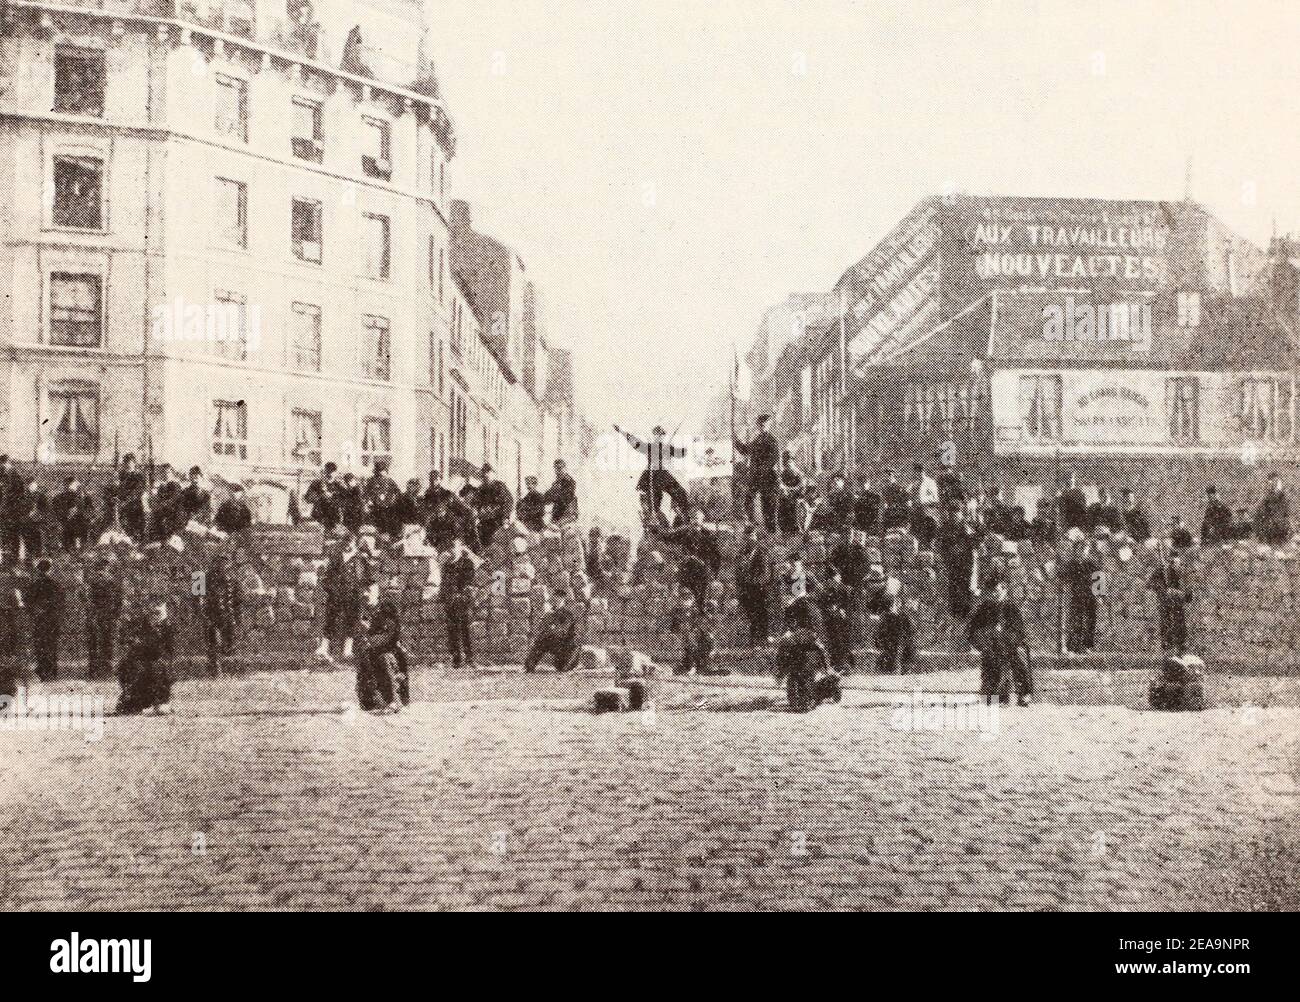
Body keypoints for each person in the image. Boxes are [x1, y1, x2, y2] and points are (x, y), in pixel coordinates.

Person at [969, 573, 1031, 706]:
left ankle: (1023, 693)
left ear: (1004, 590)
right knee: (990, 658)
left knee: (1017, 658)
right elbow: (974, 628)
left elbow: (1019, 630)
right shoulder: (985, 607)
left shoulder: (1011, 607)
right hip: (991, 644)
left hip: (1009, 644)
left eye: (997, 591)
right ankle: (994, 695)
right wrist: (984, 640)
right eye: (992, 592)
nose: (994, 595)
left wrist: (1006, 638)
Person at [617, 424, 690, 527]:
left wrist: (685, 449)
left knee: (680, 493)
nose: (659, 437)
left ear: (663, 436)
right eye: (657, 435)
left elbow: (680, 453)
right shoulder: (649, 447)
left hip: (663, 474)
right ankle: (654, 521)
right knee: (654, 498)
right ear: (654, 435)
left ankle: (686, 519)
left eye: (661, 435)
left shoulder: (667, 447)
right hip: (651, 475)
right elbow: (635, 442)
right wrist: (622, 432)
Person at [115, 601, 176, 716]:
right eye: (153, 613)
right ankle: (132, 701)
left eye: (159, 613)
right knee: (134, 669)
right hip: (138, 665)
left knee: (161, 667)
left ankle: (161, 701)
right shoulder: (138, 626)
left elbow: (167, 652)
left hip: (156, 666)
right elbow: (128, 646)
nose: (156, 616)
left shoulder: (167, 628)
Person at [318, 535, 372, 664]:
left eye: (350, 544)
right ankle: (323, 648)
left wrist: (369, 592)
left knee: (352, 621)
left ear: (355, 545)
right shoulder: (336, 558)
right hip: (336, 595)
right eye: (345, 543)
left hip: (354, 595)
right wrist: (330, 589)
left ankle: (347, 651)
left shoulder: (360, 559)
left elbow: (369, 578)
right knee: (330, 620)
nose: (348, 546)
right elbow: (327, 576)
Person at [661, 510, 722, 610]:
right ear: (691, 520)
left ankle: (701, 613)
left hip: (702, 571)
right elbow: (668, 536)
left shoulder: (709, 535)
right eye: (693, 518)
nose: (695, 521)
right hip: (686, 569)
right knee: (684, 598)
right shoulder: (684, 531)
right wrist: (656, 529)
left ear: (702, 520)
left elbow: (715, 555)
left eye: (697, 518)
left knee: (701, 599)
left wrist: (715, 573)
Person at [356, 596, 407, 712]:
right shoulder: (373, 615)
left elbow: (383, 639)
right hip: (374, 652)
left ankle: (394, 701)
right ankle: (371, 700)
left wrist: (368, 633)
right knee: (365, 659)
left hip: (390, 655)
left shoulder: (389, 620)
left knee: (384, 659)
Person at [198, 553, 243, 677]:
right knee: (211, 640)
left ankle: (228, 667)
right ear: (213, 564)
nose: (222, 566)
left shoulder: (233, 580)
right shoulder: (200, 578)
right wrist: (202, 616)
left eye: (225, 563)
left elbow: (238, 601)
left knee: (229, 643)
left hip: (228, 615)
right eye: (218, 562)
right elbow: (196, 599)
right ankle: (215, 668)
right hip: (210, 614)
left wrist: (237, 619)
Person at [733, 414, 780, 532]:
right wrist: (735, 440)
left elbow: (774, 458)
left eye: (764, 425)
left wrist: (763, 469)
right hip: (755, 476)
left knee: (768, 505)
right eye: (760, 425)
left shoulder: (771, 440)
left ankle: (771, 530)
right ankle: (752, 525)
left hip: (767, 477)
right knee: (748, 499)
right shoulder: (757, 439)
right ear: (758, 426)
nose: (762, 427)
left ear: (769, 425)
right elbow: (745, 450)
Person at [441, 536, 480, 670]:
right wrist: (446, 598)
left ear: (461, 548)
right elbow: (444, 584)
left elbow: (470, 582)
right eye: (451, 548)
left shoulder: (467, 563)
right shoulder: (447, 565)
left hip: (463, 602)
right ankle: (456, 659)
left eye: (455, 547)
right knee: (452, 631)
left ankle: (470, 658)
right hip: (450, 603)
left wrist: (462, 596)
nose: (453, 550)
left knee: (466, 630)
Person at [24, 558, 64, 681]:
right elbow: (60, 602)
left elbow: (27, 601)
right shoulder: (56, 584)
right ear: (50, 569)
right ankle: (51, 671)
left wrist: (35, 611)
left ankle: (42, 670)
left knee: (40, 644)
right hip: (51, 619)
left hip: (39, 619)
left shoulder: (34, 584)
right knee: (51, 644)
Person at [84, 553, 123, 679]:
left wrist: (90, 613)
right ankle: (106, 669)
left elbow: (86, 598)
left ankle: (94, 669)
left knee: (94, 642)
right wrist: (116, 613)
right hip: (109, 615)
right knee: (108, 641)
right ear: (107, 567)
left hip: (96, 614)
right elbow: (119, 599)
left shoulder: (91, 581)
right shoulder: (112, 580)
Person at [735, 524, 773, 647]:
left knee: (760, 615)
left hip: (759, 590)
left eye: (752, 536)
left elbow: (766, 573)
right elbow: (738, 571)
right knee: (751, 616)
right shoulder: (741, 553)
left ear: (756, 537)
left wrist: (753, 581)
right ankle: (753, 641)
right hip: (746, 591)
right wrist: (740, 587)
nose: (749, 540)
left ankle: (762, 640)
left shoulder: (762, 551)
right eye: (746, 537)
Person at [938, 506, 979, 619]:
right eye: (951, 513)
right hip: (950, 564)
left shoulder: (966, 527)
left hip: (964, 564)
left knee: (964, 588)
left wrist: (962, 547)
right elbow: (940, 544)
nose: (954, 515)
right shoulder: (945, 528)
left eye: (956, 512)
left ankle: (965, 614)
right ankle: (954, 614)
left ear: (961, 513)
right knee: (952, 588)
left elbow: (974, 543)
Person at [669, 593, 723, 676]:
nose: (686, 602)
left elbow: (703, 628)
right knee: (690, 644)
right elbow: (675, 627)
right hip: (687, 638)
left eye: (688, 600)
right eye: (684, 600)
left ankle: (701, 666)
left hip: (698, 638)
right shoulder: (680, 612)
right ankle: (690, 666)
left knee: (703, 642)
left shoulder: (698, 614)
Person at [1149, 553, 1192, 655]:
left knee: (1180, 624)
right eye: (1172, 562)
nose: (1175, 565)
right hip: (1165, 602)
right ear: (1169, 562)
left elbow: (1189, 592)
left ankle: (1181, 647)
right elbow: (1151, 583)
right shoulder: (1161, 571)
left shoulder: (1184, 572)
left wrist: (1179, 593)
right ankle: (1167, 647)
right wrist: (1163, 590)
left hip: (1178, 603)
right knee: (1166, 623)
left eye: (1177, 563)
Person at [524, 595, 581, 673]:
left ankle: (566, 666)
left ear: (563, 601)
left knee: (563, 666)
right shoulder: (550, 614)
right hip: (557, 644)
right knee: (541, 641)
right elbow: (542, 629)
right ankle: (529, 666)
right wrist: (546, 628)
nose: (555, 602)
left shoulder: (568, 614)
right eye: (554, 600)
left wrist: (551, 628)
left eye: (558, 600)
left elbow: (563, 631)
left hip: (567, 647)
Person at [1063, 540, 1100, 655]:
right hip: (1076, 596)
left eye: (1084, 550)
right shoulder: (1071, 564)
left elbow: (1098, 578)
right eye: (1079, 550)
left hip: (1090, 595)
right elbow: (1064, 578)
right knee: (1076, 620)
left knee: (1090, 620)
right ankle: (1074, 647)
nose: (1082, 552)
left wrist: (1100, 595)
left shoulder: (1091, 564)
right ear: (1075, 551)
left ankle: (1088, 646)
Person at [817, 565, 856, 673]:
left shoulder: (833, 587)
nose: (839, 577)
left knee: (836, 640)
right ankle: (841, 664)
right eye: (838, 575)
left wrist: (836, 608)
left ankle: (840, 664)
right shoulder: (838, 587)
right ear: (836, 576)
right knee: (839, 640)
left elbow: (823, 602)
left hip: (834, 617)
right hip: (838, 617)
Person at [108, 453, 147, 542]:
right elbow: (114, 490)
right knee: (123, 530)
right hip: (121, 508)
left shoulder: (139, 476)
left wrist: (125, 501)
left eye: (131, 463)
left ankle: (137, 547)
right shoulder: (120, 476)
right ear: (124, 464)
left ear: (134, 463)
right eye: (126, 463)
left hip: (134, 507)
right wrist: (114, 495)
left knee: (136, 530)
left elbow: (138, 492)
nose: (128, 465)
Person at [49, 476, 94, 552]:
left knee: (72, 545)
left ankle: (76, 550)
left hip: (74, 526)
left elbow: (90, 512)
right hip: (72, 527)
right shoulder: (59, 498)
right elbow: (90, 513)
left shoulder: (85, 498)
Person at [876, 592, 917, 674]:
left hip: (901, 639)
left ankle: (900, 667)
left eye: (898, 603)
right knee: (894, 649)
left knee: (901, 647)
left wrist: (907, 636)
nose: (897, 605)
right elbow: (881, 631)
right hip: (890, 640)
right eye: (895, 603)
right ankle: (894, 667)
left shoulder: (903, 615)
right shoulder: (886, 616)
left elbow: (909, 629)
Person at [474, 464, 514, 546]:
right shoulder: (480, 489)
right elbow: (475, 503)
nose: (486, 475)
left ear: (493, 473)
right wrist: (476, 512)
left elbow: (509, 502)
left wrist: (505, 517)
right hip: (484, 522)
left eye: (488, 472)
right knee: (482, 542)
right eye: (484, 472)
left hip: (498, 521)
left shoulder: (499, 486)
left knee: (498, 543)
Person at [364, 460, 402, 538]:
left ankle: (391, 541)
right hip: (376, 508)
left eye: (383, 471)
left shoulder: (390, 481)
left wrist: (393, 500)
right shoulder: (371, 481)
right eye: (379, 472)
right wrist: (368, 502)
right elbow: (366, 494)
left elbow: (398, 493)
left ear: (386, 471)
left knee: (390, 526)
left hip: (389, 508)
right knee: (378, 528)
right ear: (376, 472)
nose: (382, 474)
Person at [0, 455, 26, 560]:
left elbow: (21, 494)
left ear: (9, 463)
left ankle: (15, 557)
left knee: (14, 532)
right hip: (2, 509)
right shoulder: (1, 474)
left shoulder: (16, 476)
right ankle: (4, 557)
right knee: (3, 532)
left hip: (12, 510)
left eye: (4, 464)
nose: (2, 467)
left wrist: (14, 507)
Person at [1254, 474, 1291, 545]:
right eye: (1273, 482)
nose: (1275, 484)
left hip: (1279, 530)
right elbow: (1261, 513)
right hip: (1270, 530)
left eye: (1277, 482)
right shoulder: (1267, 498)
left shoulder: (1282, 498)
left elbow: (1285, 514)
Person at [304, 462, 342, 531]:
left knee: (332, 535)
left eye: (332, 471)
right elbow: (308, 497)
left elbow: (344, 498)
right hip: (320, 514)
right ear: (325, 471)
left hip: (334, 515)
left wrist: (333, 495)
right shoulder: (317, 483)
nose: (330, 474)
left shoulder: (338, 485)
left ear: (336, 473)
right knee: (320, 534)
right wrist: (321, 496)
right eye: (328, 471)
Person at [17, 478, 48, 560]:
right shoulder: (23, 496)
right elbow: (20, 509)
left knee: (39, 541)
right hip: (26, 523)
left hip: (37, 523)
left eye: (31, 485)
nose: (29, 487)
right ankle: (29, 558)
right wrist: (24, 516)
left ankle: (39, 558)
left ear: (35, 485)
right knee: (28, 542)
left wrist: (37, 515)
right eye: (28, 485)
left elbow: (45, 510)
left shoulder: (41, 496)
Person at [776, 452, 806, 535]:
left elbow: (801, 487)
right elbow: (780, 484)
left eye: (789, 462)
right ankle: (784, 529)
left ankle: (796, 528)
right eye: (785, 462)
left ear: (793, 461)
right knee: (781, 504)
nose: (787, 464)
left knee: (794, 504)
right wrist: (783, 489)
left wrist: (790, 490)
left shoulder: (799, 473)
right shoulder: (783, 473)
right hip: (786, 497)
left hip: (796, 496)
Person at [543, 459, 579, 525]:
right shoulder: (555, 483)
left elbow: (565, 498)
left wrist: (553, 496)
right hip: (558, 516)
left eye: (560, 468)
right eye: (556, 469)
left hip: (568, 516)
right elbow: (547, 498)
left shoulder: (569, 482)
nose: (557, 471)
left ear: (565, 468)